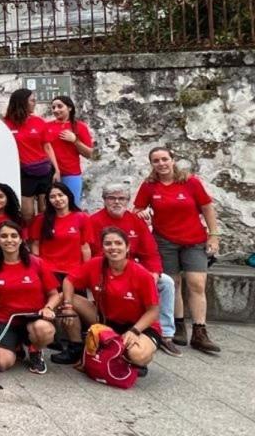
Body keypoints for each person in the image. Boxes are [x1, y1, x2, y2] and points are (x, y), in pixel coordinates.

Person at [133, 147, 220, 354]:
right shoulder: (149, 186)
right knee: (173, 283)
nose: (161, 163)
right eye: (156, 160)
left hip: (194, 240)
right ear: (152, 164)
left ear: (173, 160)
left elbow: (207, 207)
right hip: (164, 241)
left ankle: (200, 331)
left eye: (165, 159)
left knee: (196, 283)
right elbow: (137, 210)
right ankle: (178, 325)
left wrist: (214, 235)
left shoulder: (190, 182)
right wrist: (142, 213)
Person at [91, 182, 180, 356]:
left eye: (121, 198)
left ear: (128, 201)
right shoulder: (94, 221)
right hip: (108, 269)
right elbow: (94, 254)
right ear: (104, 200)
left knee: (166, 283)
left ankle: (166, 335)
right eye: (112, 198)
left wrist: (153, 273)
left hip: (136, 270)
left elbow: (151, 252)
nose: (117, 202)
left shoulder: (136, 221)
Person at [56, 227, 160, 370]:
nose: (113, 247)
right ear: (102, 247)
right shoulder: (95, 264)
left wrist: (134, 331)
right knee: (63, 297)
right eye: (108, 244)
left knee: (137, 355)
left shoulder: (142, 275)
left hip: (140, 325)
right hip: (105, 320)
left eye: (118, 243)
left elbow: (153, 312)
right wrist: (67, 306)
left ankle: (129, 356)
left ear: (127, 247)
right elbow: (69, 280)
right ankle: (76, 347)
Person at [0, 221, 59, 374]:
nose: (9, 240)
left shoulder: (36, 262)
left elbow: (54, 294)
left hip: (35, 318)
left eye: (13, 236)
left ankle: (35, 350)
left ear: (21, 239)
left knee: (43, 329)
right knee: (1, 363)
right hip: (6, 320)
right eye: (3, 236)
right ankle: (16, 346)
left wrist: (48, 307)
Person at [3, 88, 59, 224]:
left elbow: (47, 146)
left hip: (44, 170)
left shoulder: (39, 122)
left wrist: (56, 169)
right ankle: (28, 241)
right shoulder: (5, 124)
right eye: (32, 100)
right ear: (22, 102)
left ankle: (43, 241)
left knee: (45, 210)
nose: (35, 103)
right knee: (27, 213)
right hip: (23, 172)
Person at [29, 182, 94, 282]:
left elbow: (85, 248)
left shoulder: (82, 217)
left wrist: (86, 271)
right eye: (53, 197)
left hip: (74, 272)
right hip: (49, 271)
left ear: (68, 196)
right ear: (48, 200)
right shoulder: (40, 220)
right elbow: (35, 246)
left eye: (61, 195)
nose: (58, 199)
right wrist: (37, 269)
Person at [45, 96, 93, 206]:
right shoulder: (46, 127)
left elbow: (89, 154)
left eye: (60, 106)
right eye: (53, 107)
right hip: (50, 174)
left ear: (69, 108)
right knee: (50, 208)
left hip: (71, 174)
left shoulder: (80, 127)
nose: (56, 110)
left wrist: (75, 140)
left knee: (73, 206)